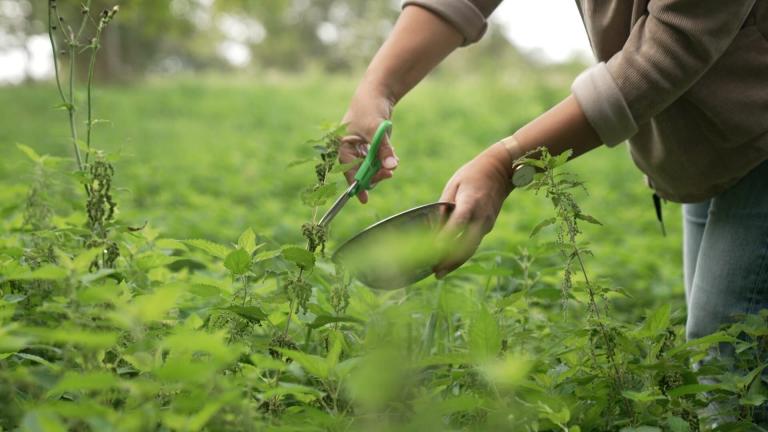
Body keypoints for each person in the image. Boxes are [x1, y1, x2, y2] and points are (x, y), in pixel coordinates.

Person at [339, 0, 768, 343]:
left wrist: (504, 164)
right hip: (710, 144)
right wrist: (378, 87)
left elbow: (668, 47)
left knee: (725, 350)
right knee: (720, 348)